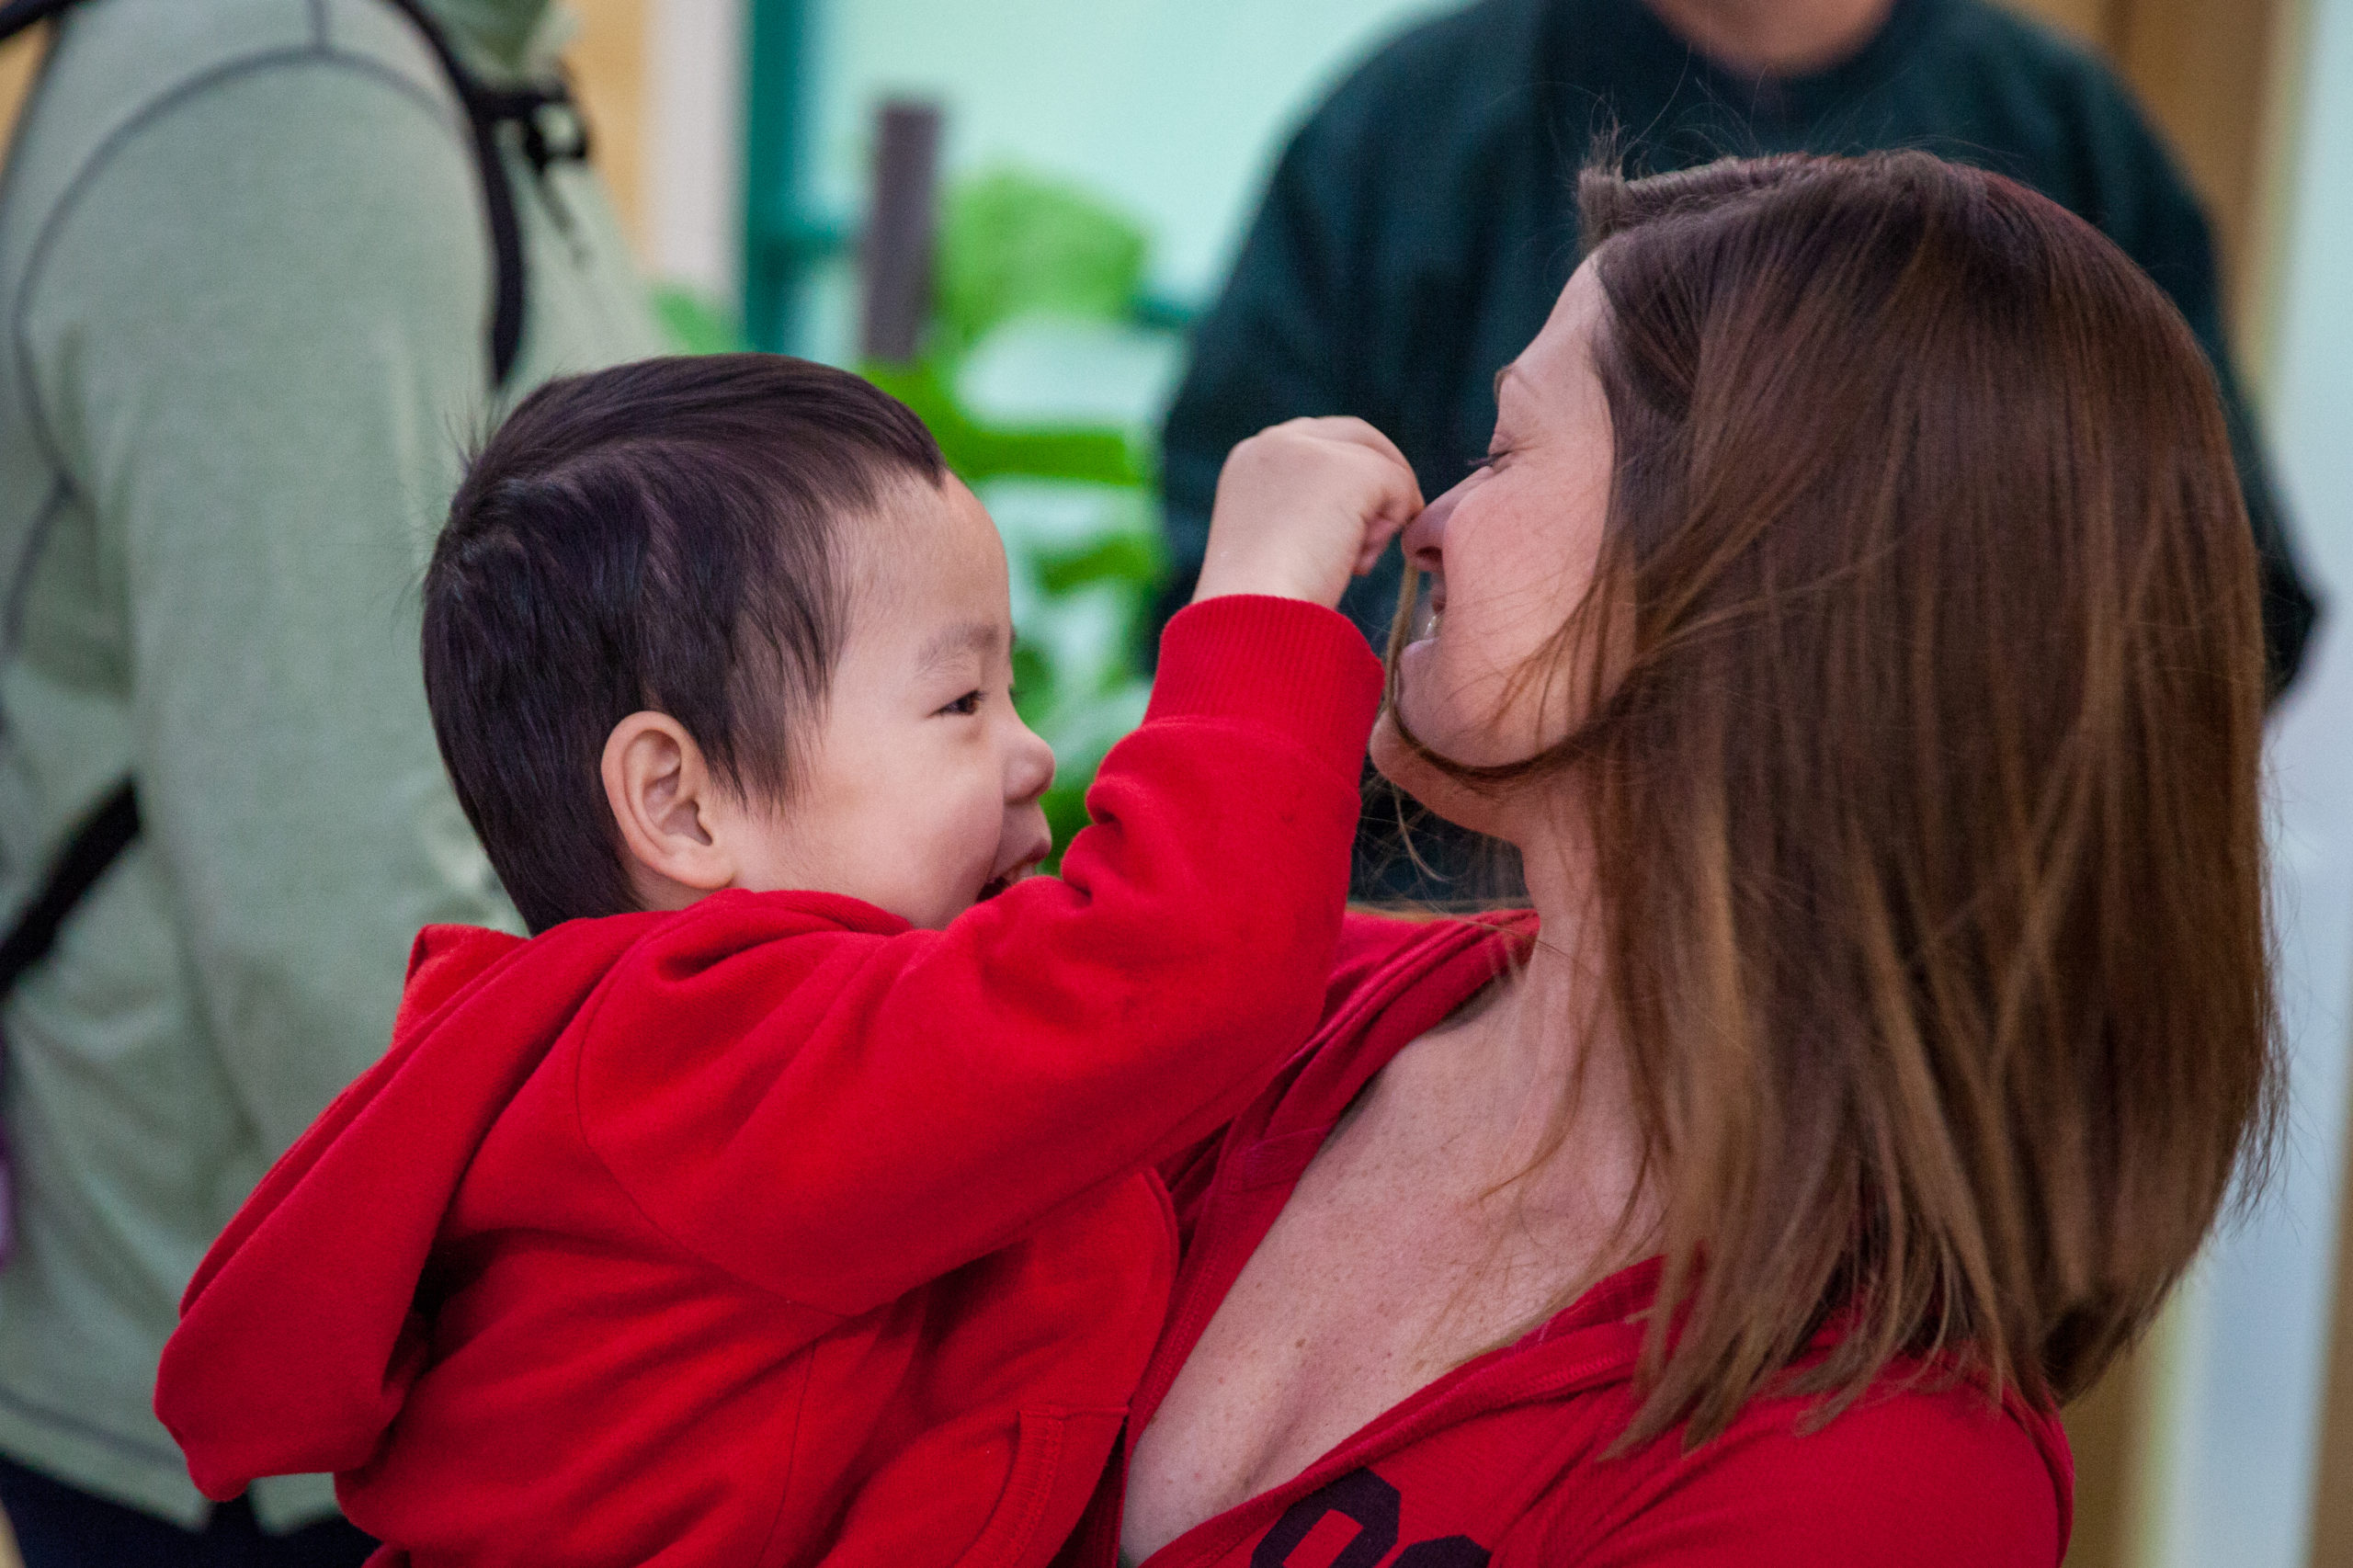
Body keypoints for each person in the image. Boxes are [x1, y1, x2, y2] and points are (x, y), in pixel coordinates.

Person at [1094, 153, 2276, 1566]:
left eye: (1507, 449)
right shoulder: (1252, 1008)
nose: (1431, 521)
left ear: (1742, 579)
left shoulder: (1884, 1481)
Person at [154, 354, 1423, 1567]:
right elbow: (1186, 968)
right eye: (960, 703)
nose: (1032, 752)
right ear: (684, 806)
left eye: (1013, 686)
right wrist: (1261, 595)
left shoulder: (645, 1064)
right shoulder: (708, 1056)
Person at [1161, 0, 2317, 895]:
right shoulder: (1410, 127)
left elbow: (2216, 602)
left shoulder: (2062, 137)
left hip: (1912, 996)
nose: (1439, 523)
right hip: (1456, 933)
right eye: (1498, 448)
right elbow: (1254, 540)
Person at [0, 0, 661, 1560]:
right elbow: (331, 893)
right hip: (315, 1401)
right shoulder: (283, 101)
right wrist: (625, 1332)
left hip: (367, 1331)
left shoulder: (449, 58)